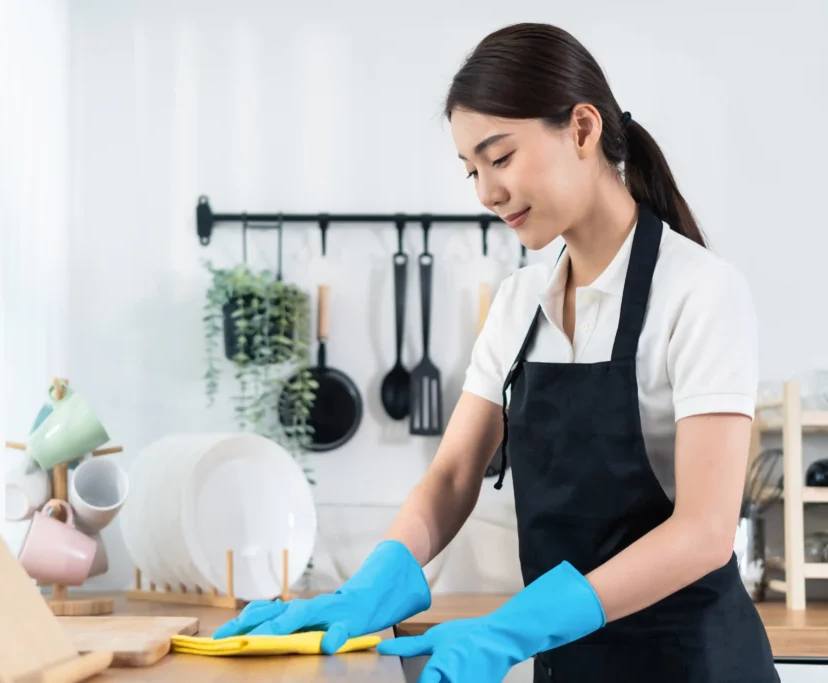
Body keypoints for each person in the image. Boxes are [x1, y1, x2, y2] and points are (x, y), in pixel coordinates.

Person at [212, 22, 779, 683]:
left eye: (500, 158)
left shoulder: (701, 293)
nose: (485, 192)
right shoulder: (518, 302)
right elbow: (453, 475)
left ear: (583, 130)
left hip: (693, 665)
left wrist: (514, 626)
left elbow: (704, 532)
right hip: (567, 666)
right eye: (472, 170)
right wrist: (373, 583)